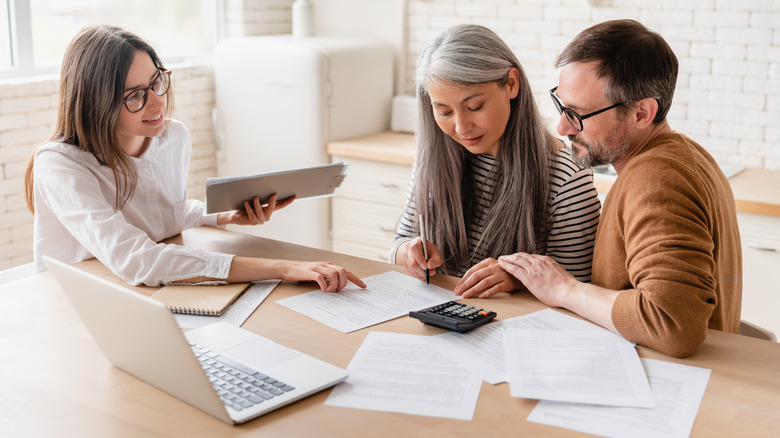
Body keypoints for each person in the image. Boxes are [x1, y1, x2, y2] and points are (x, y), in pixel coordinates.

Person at [24, 25, 366, 292]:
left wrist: (223, 216)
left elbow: (161, 217)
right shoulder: (60, 164)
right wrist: (281, 268)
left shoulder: (172, 138)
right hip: (74, 299)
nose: (157, 103)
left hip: (140, 293)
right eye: (135, 96)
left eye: (157, 82)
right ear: (95, 102)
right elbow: (137, 259)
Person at [498, 19, 742, 358]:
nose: (563, 126)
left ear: (642, 112)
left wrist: (564, 288)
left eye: (578, 113)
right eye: (561, 105)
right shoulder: (687, 155)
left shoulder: (655, 179)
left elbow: (673, 325)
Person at [390, 24, 601, 298]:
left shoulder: (567, 178)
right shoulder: (434, 158)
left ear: (511, 84)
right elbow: (398, 244)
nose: (461, 127)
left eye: (474, 107)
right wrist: (409, 253)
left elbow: (578, 289)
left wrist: (519, 278)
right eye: (443, 112)